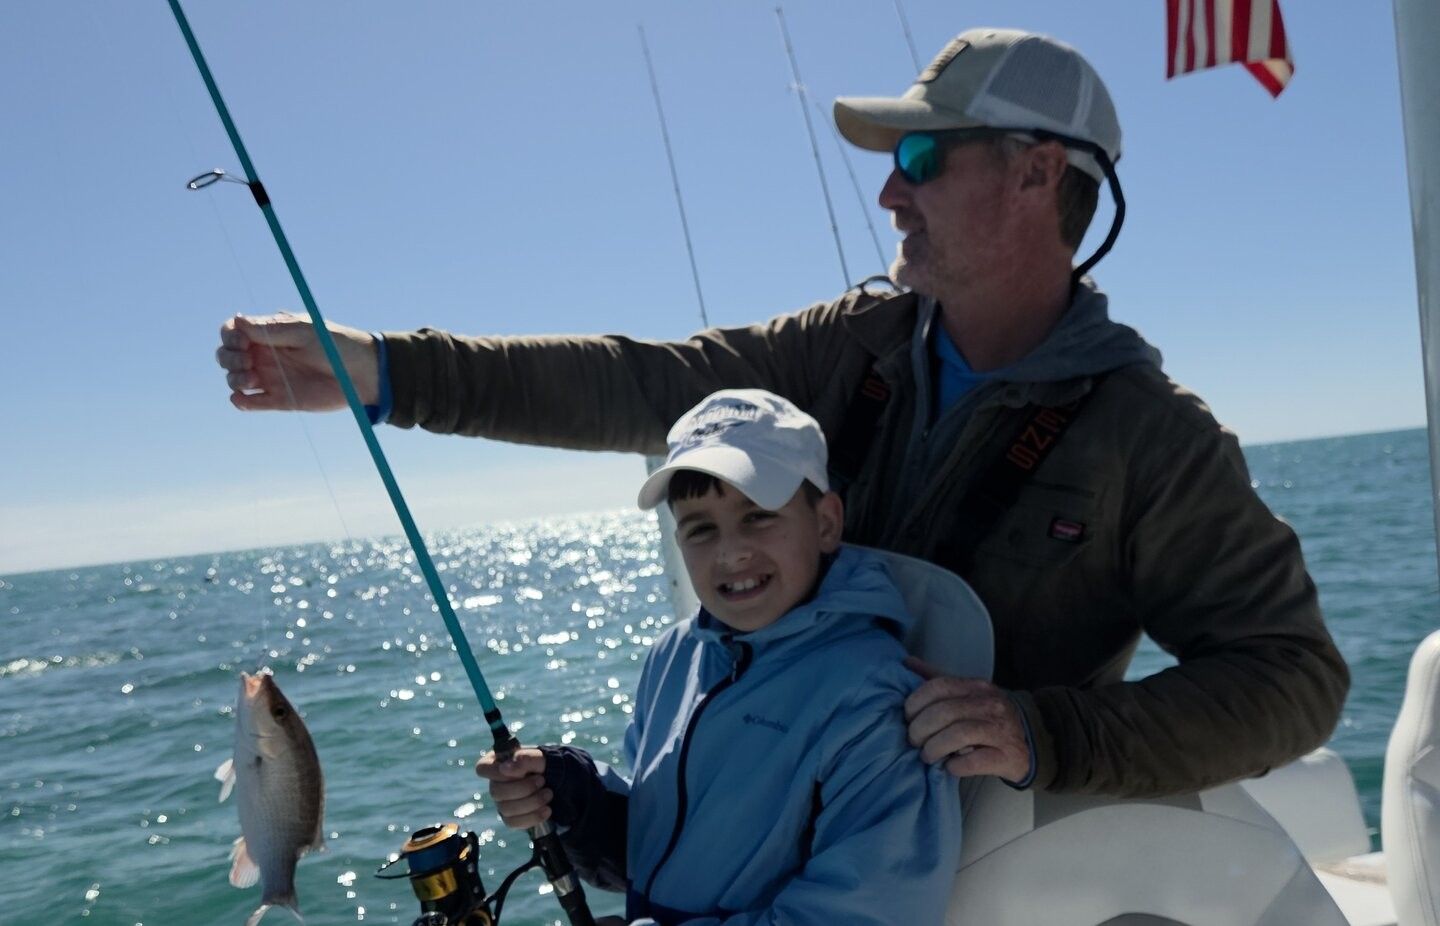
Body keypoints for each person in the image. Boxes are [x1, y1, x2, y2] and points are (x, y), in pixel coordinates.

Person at [215, 28, 1349, 797]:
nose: (889, 190)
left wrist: (1044, 733)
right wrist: (383, 372)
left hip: (992, 850)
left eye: (920, 155)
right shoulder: (850, 343)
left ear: (1037, 173)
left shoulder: (1153, 437)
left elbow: (1293, 675)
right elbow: (645, 383)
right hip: (799, 806)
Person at [475, 389, 962, 925]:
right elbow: (658, 844)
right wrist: (573, 796)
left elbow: (866, 915)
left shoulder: (872, 697)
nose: (731, 552)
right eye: (701, 528)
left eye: (758, 516)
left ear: (826, 522)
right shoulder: (674, 655)